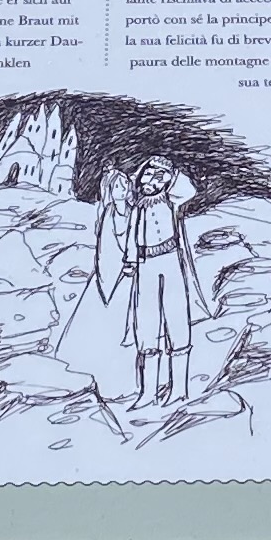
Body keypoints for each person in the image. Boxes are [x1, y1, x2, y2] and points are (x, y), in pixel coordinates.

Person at [91, 156, 200, 411]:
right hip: (145, 264)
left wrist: (169, 171)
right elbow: (132, 236)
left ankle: (179, 389)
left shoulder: (172, 200)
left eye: (158, 177)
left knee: (176, 319)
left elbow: (188, 190)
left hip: (170, 261)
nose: (151, 181)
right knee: (146, 325)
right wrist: (130, 261)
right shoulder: (138, 207)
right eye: (148, 175)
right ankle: (148, 392)